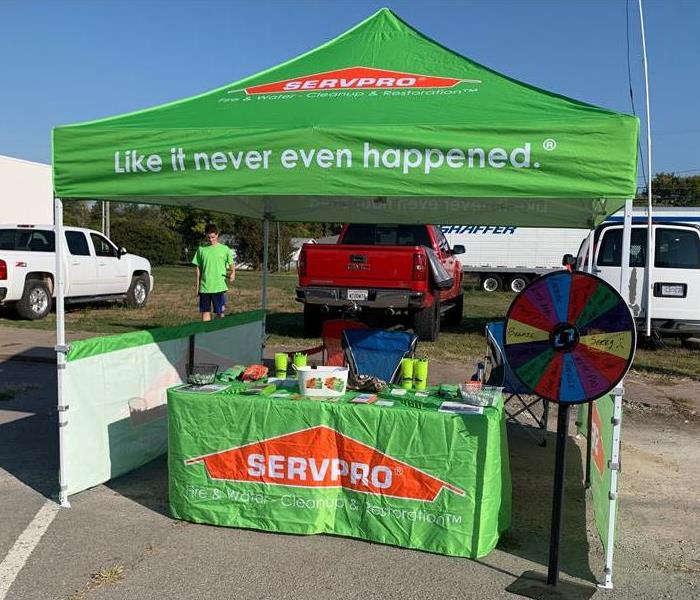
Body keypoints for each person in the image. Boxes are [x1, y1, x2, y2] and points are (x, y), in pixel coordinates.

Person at [192, 223, 235, 321]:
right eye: (208, 237)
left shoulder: (224, 249)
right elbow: (198, 268)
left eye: (213, 237)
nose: (211, 240)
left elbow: (232, 264)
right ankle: (206, 333)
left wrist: (233, 273)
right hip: (205, 288)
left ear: (217, 235)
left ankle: (220, 333)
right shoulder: (201, 249)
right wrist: (198, 286)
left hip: (219, 287)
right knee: (205, 312)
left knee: (220, 312)